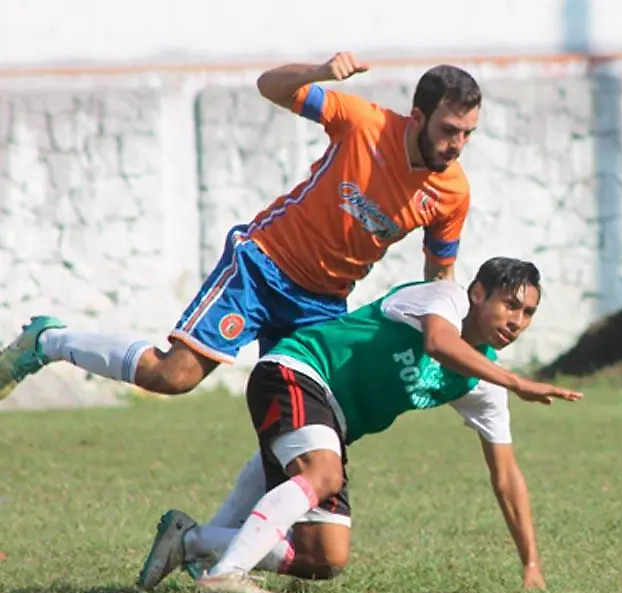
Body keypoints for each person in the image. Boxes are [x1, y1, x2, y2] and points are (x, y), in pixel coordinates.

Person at [0, 52, 481, 401]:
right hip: (262, 267)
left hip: (322, 304)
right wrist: (318, 71)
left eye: (467, 134)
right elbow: (270, 86)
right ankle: (47, 341)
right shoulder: (363, 123)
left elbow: (440, 276)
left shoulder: (452, 192)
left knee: (312, 422)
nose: (458, 144)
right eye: (449, 130)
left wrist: (451, 339)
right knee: (174, 376)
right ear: (418, 116)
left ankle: (250, 519)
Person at [134, 256, 582, 593]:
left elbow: (506, 476)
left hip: (329, 422)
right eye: (510, 305)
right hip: (299, 371)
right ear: (478, 293)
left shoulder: (481, 381)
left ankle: (191, 540)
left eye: (528, 313)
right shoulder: (442, 298)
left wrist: (531, 564)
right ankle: (226, 574)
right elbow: (438, 344)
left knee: (324, 556)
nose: (517, 322)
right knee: (323, 474)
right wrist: (517, 381)